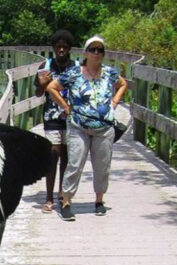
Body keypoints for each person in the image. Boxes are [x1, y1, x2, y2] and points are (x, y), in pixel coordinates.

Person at [46, 35, 128, 221]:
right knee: (75, 164)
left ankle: (99, 201)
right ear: (86, 52)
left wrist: (115, 101)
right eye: (93, 50)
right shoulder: (74, 72)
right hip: (78, 127)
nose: (96, 53)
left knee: (102, 167)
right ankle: (66, 202)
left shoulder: (109, 73)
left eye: (100, 50)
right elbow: (52, 87)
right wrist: (66, 108)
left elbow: (123, 84)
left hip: (104, 128)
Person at [34, 29, 76, 213]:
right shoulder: (46, 65)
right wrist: (43, 83)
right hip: (51, 117)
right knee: (52, 156)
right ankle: (49, 198)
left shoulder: (76, 67)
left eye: (64, 47)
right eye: (58, 47)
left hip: (71, 118)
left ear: (69, 49)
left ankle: (62, 193)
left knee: (67, 158)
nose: (61, 50)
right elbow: (37, 93)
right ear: (53, 48)